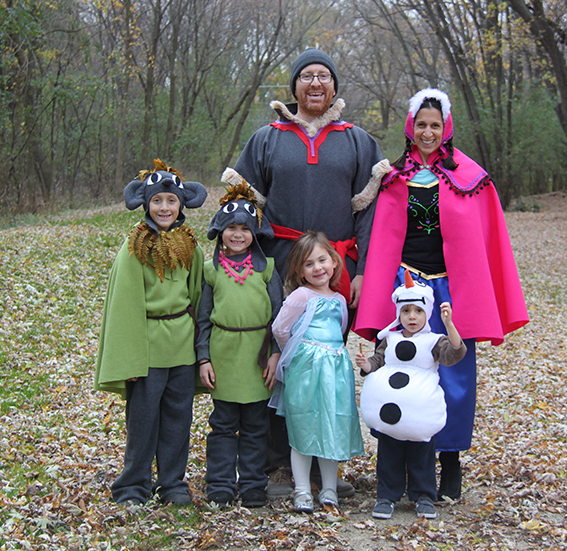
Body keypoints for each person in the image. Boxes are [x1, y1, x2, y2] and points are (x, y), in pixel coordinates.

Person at [221, 48, 388, 499]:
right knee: (279, 355)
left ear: (334, 86)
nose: (316, 84)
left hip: (337, 267)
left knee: (324, 364)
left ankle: (322, 466)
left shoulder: (357, 140)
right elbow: (243, 207)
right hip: (277, 264)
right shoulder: (267, 139)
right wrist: (249, 263)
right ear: (293, 86)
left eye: (324, 77)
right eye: (307, 77)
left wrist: (362, 272)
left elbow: (372, 213)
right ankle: (278, 461)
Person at [354, 88, 529, 501]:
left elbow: (486, 238)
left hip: (451, 288)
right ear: (410, 127)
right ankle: (402, 462)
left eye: (435, 125)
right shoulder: (392, 177)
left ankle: (449, 462)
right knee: (402, 370)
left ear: (445, 127)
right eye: (421, 124)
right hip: (407, 287)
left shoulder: (470, 177)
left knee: (453, 375)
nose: (428, 132)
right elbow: (379, 235)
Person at [94, 159, 207, 506]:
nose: (164, 207)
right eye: (157, 200)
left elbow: (200, 297)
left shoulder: (191, 247)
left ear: (182, 203)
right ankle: (133, 485)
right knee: (143, 422)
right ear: (146, 203)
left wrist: (202, 351)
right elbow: (124, 308)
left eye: (171, 201)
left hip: (182, 347)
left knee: (177, 418)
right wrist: (126, 360)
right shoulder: (135, 249)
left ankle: (172, 482)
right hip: (147, 348)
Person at [196, 181, 283, 509]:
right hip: (224, 355)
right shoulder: (211, 271)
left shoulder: (267, 271)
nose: (237, 234)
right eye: (231, 227)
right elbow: (203, 320)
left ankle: (252, 484)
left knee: (255, 425)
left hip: (257, 358)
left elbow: (279, 317)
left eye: (245, 229)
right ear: (221, 231)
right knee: (222, 424)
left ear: (254, 234)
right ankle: (219, 483)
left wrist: (275, 352)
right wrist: (203, 358)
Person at [270, 231, 364, 513]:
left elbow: (340, 331)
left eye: (322, 260)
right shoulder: (301, 296)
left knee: (331, 425)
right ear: (300, 271)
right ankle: (301, 490)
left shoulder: (338, 299)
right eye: (309, 264)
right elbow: (280, 329)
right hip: (307, 369)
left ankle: (329, 488)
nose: (317, 268)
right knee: (303, 425)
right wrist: (300, 352)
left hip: (335, 369)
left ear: (335, 262)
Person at [356, 282, 467, 520]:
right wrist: (367, 365)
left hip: (420, 413)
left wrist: (449, 325)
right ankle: (387, 496)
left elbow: (455, 354)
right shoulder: (390, 339)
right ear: (398, 314)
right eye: (405, 311)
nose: (412, 317)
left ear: (427, 313)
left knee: (421, 454)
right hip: (390, 413)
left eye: (418, 311)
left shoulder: (434, 341)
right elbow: (378, 360)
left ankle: (423, 496)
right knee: (389, 454)